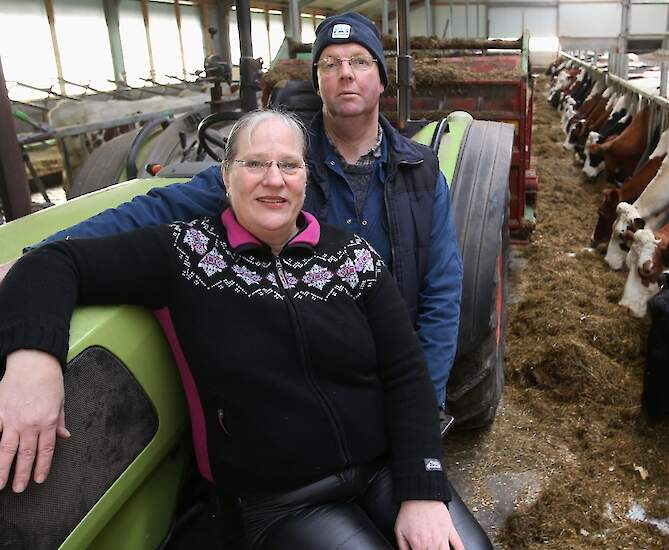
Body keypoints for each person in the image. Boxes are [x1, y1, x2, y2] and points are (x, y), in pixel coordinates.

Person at [0, 110, 491, 550]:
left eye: (289, 165)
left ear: (305, 179)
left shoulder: (352, 258)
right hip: (287, 498)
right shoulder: (183, 254)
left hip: (384, 466)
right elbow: (51, 263)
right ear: (226, 177)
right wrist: (33, 361)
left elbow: (406, 375)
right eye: (255, 164)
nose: (273, 180)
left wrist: (422, 488)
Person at [4, 11, 462, 409]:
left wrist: (425, 400)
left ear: (381, 78)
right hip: (317, 388)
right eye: (331, 63)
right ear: (317, 80)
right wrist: (39, 259)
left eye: (360, 61)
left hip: (395, 373)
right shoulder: (279, 166)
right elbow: (161, 206)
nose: (346, 73)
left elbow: (441, 291)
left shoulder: (419, 172)